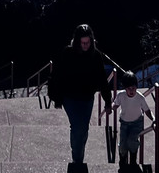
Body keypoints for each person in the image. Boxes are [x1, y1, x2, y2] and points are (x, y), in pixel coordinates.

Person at [48, 24, 114, 167]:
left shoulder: (96, 56)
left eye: (88, 42)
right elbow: (57, 76)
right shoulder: (67, 53)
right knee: (78, 127)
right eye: (83, 42)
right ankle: (77, 160)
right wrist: (57, 98)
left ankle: (78, 154)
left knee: (83, 129)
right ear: (77, 41)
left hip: (87, 98)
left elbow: (102, 79)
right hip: (69, 97)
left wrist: (108, 101)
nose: (86, 45)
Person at [114, 71, 154, 169]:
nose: (132, 91)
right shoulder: (121, 95)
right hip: (124, 122)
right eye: (129, 89)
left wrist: (153, 119)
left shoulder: (140, 97)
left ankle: (133, 159)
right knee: (123, 143)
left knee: (132, 140)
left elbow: (147, 110)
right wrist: (111, 107)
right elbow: (116, 104)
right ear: (125, 88)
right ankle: (123, 159)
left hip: (137, 122)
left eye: (134, 88)